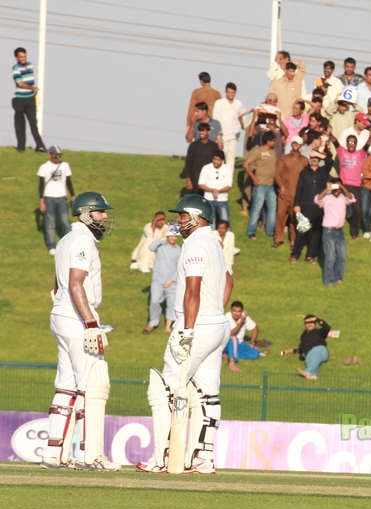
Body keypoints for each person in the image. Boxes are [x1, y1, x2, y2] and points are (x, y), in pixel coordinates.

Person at [137, 194, 233, 475]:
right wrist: (216, 310)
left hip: (196, 325)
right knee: (208, 394)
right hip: (217, 325)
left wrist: (188, 330)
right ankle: (203, 458)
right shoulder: (213, 242)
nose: (177, 221)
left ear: (196, 216)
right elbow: (229, 280)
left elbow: (192, 289)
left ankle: (163, 457)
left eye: (181, 216)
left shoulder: (194, 246)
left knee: (164, 389)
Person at [41, 192, 119, 471]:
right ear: (86, 213)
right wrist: (91, 324)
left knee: (67, 385)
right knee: (91, 386)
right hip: (76, 316)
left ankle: (54, 454)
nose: (105, 217)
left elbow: (57, 284)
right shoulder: (84, 240)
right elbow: (76, 284)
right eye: (100, 212)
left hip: (61, 313)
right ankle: (91, 456)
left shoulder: (66, 239)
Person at [316, 183, 356, 286]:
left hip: (340, 231)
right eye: (335, 189)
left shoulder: (343, 198)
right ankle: (328, 280)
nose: (337, 191)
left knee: (342, 256)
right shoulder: (327, 198)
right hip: (329, 231)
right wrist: (327, 189)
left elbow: (351, 199)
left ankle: (338, 277)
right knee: (331, 257)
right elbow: (317, 200)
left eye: (338, 189)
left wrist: (343, 187)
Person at [291, 153, 328, 265]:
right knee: (302, 230)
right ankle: (295, 254)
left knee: (316, 233)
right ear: (310, 159)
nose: (314, 160)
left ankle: (311, 255)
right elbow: (299, 189)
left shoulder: (323, 172)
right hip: (306, 204)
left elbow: (330, 161)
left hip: (319, 206)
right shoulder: (304, 173)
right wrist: (297, 204)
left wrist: (319, 154)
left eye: (316, 158)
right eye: (312, 158)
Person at [273, 138, 309, 250]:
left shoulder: (304, 160)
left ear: (301, 145)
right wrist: (281, 186)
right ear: (292, 144)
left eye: (298, 143)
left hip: (297, 195)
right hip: (285, 193)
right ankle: (278, 239)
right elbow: (277, 174)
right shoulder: (284, 158)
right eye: (294, 143)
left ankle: (294, 241)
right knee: (280, 216)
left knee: (295, 218)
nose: (295, 145)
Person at [38, 145, 74, 254]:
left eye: (58, 155)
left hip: (62, 197)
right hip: (49, 198)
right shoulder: (44, 167)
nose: (57, 157)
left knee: (65, 221)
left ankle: (70, 244)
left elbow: (68, 182)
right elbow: (40, 185)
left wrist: (73, 195)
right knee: (50, 223)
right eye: (55, 155)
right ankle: (51, 245)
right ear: (50, 155)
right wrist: (41, 201)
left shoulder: (65, 165)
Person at [144, 228, 181, 335]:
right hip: (158, 280)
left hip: (172, 283)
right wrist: (161, 236)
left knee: (171, 304)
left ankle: (168, 327)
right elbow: (151, 247)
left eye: (175, 236)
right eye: (171, 235)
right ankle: (152, 323)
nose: (173, 238)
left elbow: (180, 268)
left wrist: (171, 280)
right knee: (154, 301)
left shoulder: (179, 251)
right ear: (168, 236)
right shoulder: (160, 246)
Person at [244, 133, 279, 241]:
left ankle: (270, 231)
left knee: (272, 209)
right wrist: (254, 178)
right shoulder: (257, 151)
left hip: (272, 185)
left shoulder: (273, 152)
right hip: (260, 185)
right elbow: (246, 164)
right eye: (273, 140)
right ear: (268, 141)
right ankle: (251, 232)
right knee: (256, 209)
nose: (275, 142)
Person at [11, 47, 46, 152]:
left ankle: (40, 146)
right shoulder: (15, 68)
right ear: (16, 57)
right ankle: (21, 147)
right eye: (21, 57)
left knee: (33, 123)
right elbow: (20, 83)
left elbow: (30, 80)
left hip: (30, 98)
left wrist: (32, 91)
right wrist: (32, 88)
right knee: (20, 125)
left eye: (24, 56)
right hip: (19, 99)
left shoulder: (30, 65)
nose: (23, 58)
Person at [281, 315, 331, 380]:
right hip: (309, 354)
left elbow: (327, 328)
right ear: (305, 324)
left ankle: (307, 372)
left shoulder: (319, 332)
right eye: (307, 323)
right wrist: (292, 350)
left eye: (312, 322)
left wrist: (317, 319)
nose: (309, 324)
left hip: (320, 350)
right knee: (308, 360)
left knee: (315, 353)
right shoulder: (303, 336)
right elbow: (303, 348)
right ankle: (313, 376)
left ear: (315, 324)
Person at [213, 82, 247, 168]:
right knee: (221, 157)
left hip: (233, 136)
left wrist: (240, 125)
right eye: (229, 92)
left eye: (233, 93)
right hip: (222, 136)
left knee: (231, 159)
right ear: (225, 92)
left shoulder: (239, 104)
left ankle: (229, 181)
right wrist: (217, 134)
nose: (231, 94)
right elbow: (215, 118)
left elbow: (244, 116)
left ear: (235, 92)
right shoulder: (219, 103)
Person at [224, 301, 263, 372]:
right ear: (231, 310)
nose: (236, 313)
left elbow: (255, 328)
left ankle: (229, 354)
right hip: (228, 343)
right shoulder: (227, 317)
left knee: (255, 353)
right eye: (234, 311)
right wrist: (241, 321)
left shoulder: (244, 317)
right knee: (233, 338)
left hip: (240, 344)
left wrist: (252, 342)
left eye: (239, 311)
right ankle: (231, 363)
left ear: (242, 311)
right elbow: (231, 334)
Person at [197, 150, 233, 226]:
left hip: (222, 200)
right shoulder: (206, 168)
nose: (215, 162)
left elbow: (228, 186)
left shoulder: (227, 169)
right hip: (208, 199)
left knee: (225, 223)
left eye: (218, 160)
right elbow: (201, 184)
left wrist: (218, 191)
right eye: (214, 159)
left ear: (223, 160)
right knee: (210, 225)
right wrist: (212, 190)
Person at [185, 124, 218, 194]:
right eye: (200, 131)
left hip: (209, 177)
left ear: (208, 132)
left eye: (203, 131)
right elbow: (188, 163)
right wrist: (188, 179)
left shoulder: (214, 146)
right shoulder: (193, 145)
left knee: (209, 198)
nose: (201, 133)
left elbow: (218, 162)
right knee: (196, 198)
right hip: (196, 176)